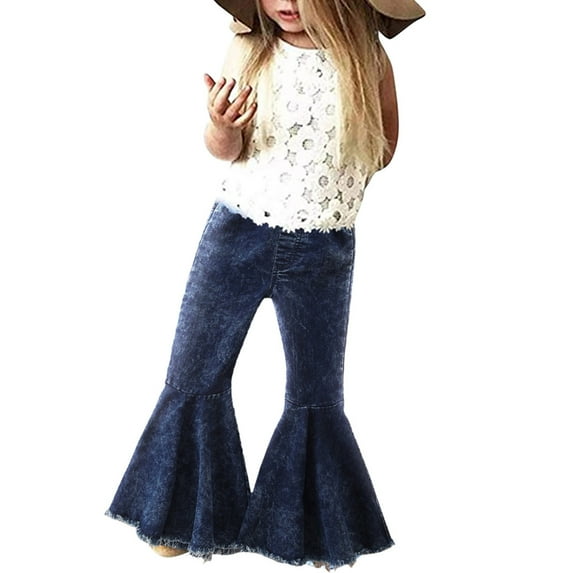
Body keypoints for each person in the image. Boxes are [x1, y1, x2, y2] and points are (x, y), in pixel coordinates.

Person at [106, 0, 424, 568]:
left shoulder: (367, 60)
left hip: (323, 247)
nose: (286, 3)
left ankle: (310, 529)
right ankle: (177, 517)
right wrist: (223, 127)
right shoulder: (250, 48)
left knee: (315, 390)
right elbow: (224, 151)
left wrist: (341, 139)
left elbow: (384, 150)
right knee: (196, 371)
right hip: (237, 234)